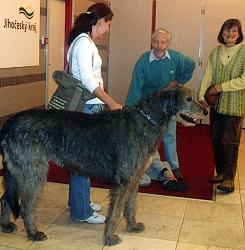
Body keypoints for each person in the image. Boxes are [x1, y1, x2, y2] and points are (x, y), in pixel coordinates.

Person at [67, 3, 122, 223]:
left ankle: (80, 202)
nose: (108, 29)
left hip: (89, 106)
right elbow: (89, 80)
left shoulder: (84, 41)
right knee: (84, 159)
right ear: (100, 21)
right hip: (87, 107)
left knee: (82, 158)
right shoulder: (83, 43)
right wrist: (111, 102)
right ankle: (81, 211)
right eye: (108, 23)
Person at [125, 28, 195, 183]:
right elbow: (135, 86)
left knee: (170, 134)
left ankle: (174, 166)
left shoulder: (176, 58)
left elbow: (191, 65)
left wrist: (179, 81)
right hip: (148, 105)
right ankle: (148, 165)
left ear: (168, 43)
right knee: (148, 136)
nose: (159, 46)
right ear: (151, 42)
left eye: (163, 42)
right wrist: (129, 110)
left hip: (168, 103)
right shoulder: (143, 61)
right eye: (156, 42)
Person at [198, 18, 245, 193]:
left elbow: (244, 80)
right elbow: (208, 75)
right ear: (222, 33)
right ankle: (221, 172)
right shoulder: (215, 52)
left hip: (235, 104)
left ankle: (229, 179)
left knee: (231, 141)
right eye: (227, 30)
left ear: (239, 34)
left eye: (234, 31)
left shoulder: (244, 51)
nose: (230, 34)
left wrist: (221, 87)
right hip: (217, 105)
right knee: (216, 139)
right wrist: (201, 96)